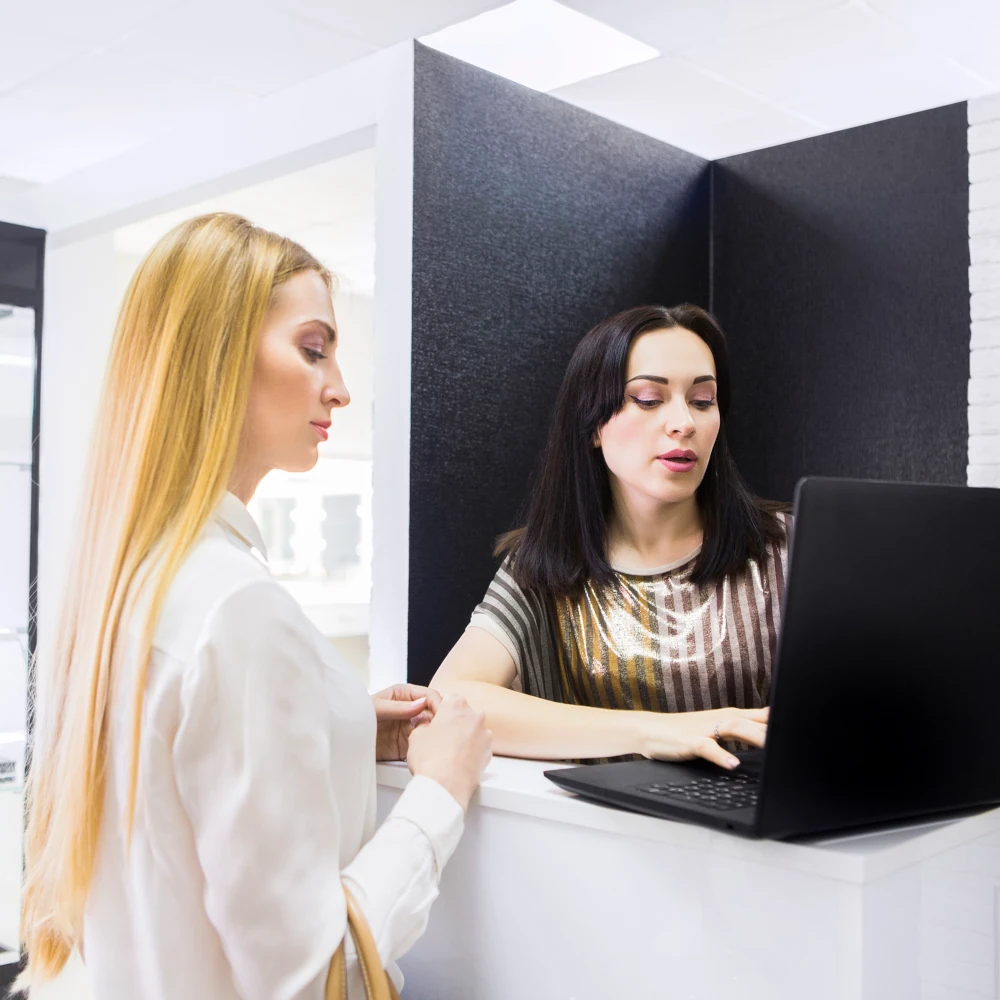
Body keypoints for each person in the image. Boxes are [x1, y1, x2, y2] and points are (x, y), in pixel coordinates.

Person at [19, 213, 492, 999]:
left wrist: (336, 724)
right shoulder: (236, 610)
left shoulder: (123, 587)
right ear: (217, 357)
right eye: (313, 350)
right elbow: (310, 976)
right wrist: (439, 795)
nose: (338, 386)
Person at [432, 304, 788, 768]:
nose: (684, 423)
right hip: (596, 835)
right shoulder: (542, 566)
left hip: (763, 834)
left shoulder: (784, 550)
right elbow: (451, 697)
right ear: (594, 423)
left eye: (703, 400)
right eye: (648, 399)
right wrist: (649, 731)